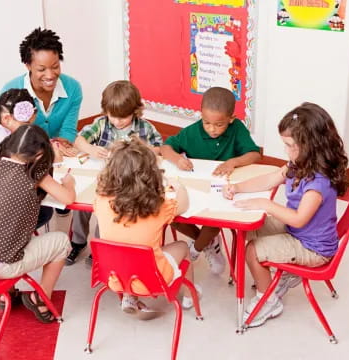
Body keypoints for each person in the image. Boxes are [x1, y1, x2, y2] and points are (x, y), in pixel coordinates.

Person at [223, 102, 348, 327]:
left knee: (252, 250)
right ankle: (272, 277)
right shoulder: (298, 163)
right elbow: (271, 178)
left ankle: (268, 300)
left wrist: (266, 204)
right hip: (298, 232)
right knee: (252, 226)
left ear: (312, 145)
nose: (287, 152)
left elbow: (299, 218)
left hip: (313, 247)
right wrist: (237, 187)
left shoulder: (317, 184)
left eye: (291, 146)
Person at [0, 124, 76, 323]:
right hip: (3, 265)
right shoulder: (35, 174)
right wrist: (69, 182)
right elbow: (67, 198)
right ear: (39, 154)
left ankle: (6, 293)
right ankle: (41, 299)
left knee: (4, 227)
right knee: (61, 242)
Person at [161, 87, 261, 275]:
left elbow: (255, 154)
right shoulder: (192, 132)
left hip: (221, 192)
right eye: (207, 123)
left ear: (231, 119)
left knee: (214, 219)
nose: (212, 129)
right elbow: (166, 148)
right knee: (170, 214)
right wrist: (177, 159)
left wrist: (233, 162)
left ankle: (197, 248)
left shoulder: (237, 129)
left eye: (219, 124)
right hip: (195, 191)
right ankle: (208, 243)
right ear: (201, 115)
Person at [94, 138, 199, 313]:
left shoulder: (101, 200)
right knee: (182, 246)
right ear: (150, 172)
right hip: (151, 280)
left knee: (127, 247)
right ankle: (189, 296)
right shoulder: (158, 205)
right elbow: (184, 204)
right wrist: (179, 187)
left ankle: (129, 296)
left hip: (114, 277)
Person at [66, 80, 163, 265]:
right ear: (106, 111)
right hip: (102, 178)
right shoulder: (101, 124)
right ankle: (78, 242)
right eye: (113, 116)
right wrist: (90, 149)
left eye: (123, 117)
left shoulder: (145, 127)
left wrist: (143, 150)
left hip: (128, 183)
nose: (117, 121)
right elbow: (78, 140)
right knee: (81, 204)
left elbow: (159, 148)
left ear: (135, 111)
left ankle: (99, 245)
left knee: (108, 208)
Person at [1, 27, 82, 216]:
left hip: (57, 155)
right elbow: (11, 141)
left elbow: (68, 130)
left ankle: (62, 213)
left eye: (55, 66)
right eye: (41, 69)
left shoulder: (73, 88)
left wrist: (59, 146)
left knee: (73, 185)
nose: (50, 75)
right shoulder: (11, 91)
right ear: (28, 65)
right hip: (25, 161)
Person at [0, 88, 53, 229]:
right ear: (6, 119)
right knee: (44, 212)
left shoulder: (2, 125)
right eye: (24, 126)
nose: (27, 130)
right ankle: (18, 236)